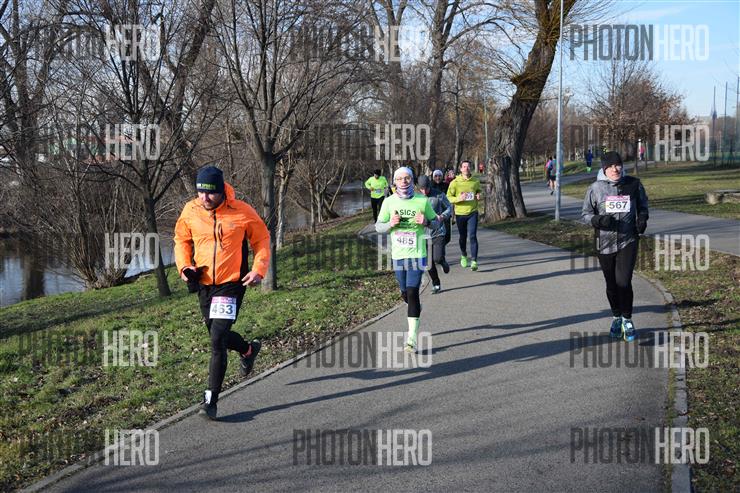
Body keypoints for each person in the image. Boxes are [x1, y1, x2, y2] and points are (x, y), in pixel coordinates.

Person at [174, 166, 271, 420]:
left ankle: (210, 401)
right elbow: (181, 240)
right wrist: (184, 266)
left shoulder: (242, 211)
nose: (204, 198)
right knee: (218, 335)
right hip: (204, 283)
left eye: (210, 193)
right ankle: (248, 350)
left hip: (231, 283)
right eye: (200, 192)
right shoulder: (190, 210)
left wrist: (258, 269)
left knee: (217, 339)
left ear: (221, 191)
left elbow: (261, 239)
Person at [581, 151, 649, 342]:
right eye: (610, 166)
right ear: (604, 169)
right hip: (604, 243)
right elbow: (585, 214)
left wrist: (642, 219)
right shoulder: (595, 188)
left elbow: (643, 206)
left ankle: (627, 319)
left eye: (618, 165)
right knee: (612, 285)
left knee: (624, 282)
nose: (615, 169)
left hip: (628, 240)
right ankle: (616, 317)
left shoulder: (634, 184)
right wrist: (598, 220)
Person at [375, 167, 440, 352]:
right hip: (398, 255)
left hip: (417, 254)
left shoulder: (422, 200)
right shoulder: (388, 202)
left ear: (412, 180)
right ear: (394, 182)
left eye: (407, 178)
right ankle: (413, 305)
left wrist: (426, 222)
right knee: (405, 292)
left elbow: (436, 223)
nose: (404, 181)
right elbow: (378, 226)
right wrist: (390, 224)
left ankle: (411, 339)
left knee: (412, 293)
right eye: (400, 178)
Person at [418, 175, 452, 294]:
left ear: (429, 186)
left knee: (437, 258)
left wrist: (442, 216)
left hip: (438, 231)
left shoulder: (438, 195)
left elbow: (449, 208)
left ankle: (442, 261)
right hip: (423, 234)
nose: (424, 191)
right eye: (421, 189)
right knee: (428, 263)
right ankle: (436, 283)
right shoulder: (415, 198)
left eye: (426, 188)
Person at [446, 160, 482, 271]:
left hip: (472, 212)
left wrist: (479, 195)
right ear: (461, 169)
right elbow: (448, 197)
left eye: (468, 166)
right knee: (463, 236)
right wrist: (458, 198)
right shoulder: (455, 182)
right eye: (464, 166)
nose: (466, 168)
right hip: (460, 214)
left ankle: (474, 261)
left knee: (472, 236)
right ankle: (463, 254)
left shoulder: (475, 181)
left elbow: (479, 191)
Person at [432, 169, 452, 245]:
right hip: (434, 212)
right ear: (433, 177)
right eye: (436, 176)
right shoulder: (430, 186)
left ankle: (442, 245)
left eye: (439, 176)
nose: (438, 178)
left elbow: (450, 197)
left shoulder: (446, 185)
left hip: (445, 212)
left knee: (447, 235)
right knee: (436, 234)